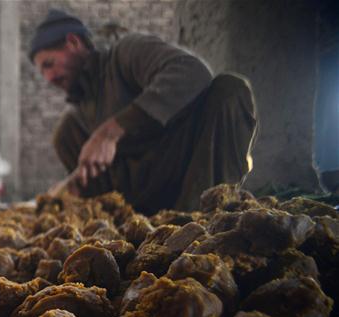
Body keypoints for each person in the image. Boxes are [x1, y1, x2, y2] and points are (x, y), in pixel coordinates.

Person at [30, 9, 258, 212]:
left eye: (49, 64)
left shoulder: (125, 54)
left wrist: (110, 131)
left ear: (73, 42)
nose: (48, 78)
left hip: (186, 175)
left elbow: (193, 72)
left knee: (230, 89)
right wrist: (75, 186)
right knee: (64, 134)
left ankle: (203, 215)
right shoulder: (76, 121)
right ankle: (120, 223)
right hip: (138, 201)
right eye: (42, 72)